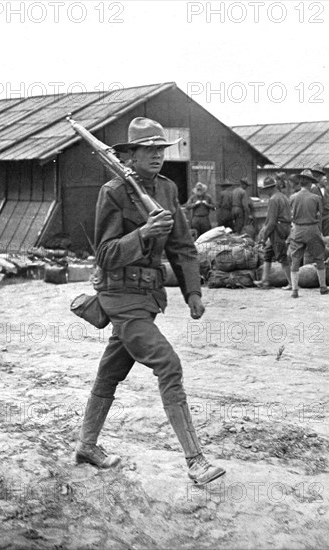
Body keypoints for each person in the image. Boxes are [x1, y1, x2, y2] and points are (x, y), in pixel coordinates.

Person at [75, 117, 226, 486]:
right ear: (131, 155)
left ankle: (86, 445)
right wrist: (143, 233)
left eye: (161, 150)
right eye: (149, 150)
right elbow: (106, 255)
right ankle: (196, 460)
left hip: (147, 299)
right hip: (120, 297)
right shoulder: (113, 192)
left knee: (109, 373)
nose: (157, 156)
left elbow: (182, 246)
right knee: (169, 365)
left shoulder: (167, 190)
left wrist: (192, 291)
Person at [288, 170, 329, 299]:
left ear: (300, 183)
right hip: (313, 229)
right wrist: (320, 232)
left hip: (298, 230)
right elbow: (320, 216)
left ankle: (295, 290)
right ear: (311, 183)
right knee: (319, 258)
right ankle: (323, 287)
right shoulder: (316, 198)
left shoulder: (292, 197)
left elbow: (290, 215)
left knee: (295, 259)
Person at [255, 176, 292, 290]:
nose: (265, 192)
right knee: (268, 253)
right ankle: (264, 281)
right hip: (286, 227)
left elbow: (271, 222)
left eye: (265, 189)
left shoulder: (273, 200)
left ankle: (292, 283)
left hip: (278, 229)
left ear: (269, 188)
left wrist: (263, 237)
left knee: (282, 256)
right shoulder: (284, 197)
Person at [310, 164, 329, 236]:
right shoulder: (313, 188)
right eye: (324, 179)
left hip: (327, 216)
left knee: (326, 235)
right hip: (318, 216)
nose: (326, 181)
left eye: (326, 180)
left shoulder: (327, 190)